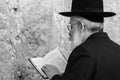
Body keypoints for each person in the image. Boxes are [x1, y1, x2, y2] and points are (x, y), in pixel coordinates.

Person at [41, 0, 120, 80]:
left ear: (82, 26)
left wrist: (55, 76)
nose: (70, 33)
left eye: (71, 27)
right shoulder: (118, 50)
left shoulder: (83, 51)